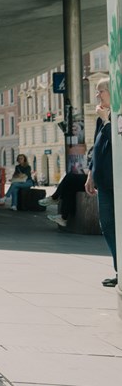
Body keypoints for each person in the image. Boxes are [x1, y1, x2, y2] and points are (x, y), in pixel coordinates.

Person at [86, 77, 117, 288]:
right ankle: (120, 269)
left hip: (118, 182)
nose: (97, 95)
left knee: (118, 227)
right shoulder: (101, 117)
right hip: (104, 181)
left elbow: (117, 141)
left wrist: (107, 121)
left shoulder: (115, 115)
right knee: (106, 225)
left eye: (101, 91)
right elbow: (96, 147)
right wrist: (90, 173)